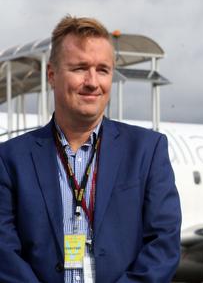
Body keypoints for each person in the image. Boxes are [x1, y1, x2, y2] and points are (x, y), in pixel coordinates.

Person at [0, 16, 182, 282]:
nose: (92, 82)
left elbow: (163, 244)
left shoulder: (147, 151)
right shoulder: (10, 159)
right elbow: (4, 253)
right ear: (52, 74)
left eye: (103, 70)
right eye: (80, 68)